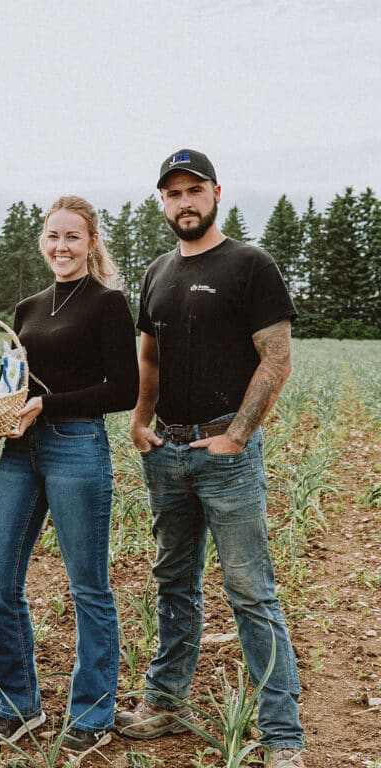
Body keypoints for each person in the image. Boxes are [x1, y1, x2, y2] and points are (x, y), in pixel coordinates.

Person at [116, 149, 305, 768]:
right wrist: (142, 421)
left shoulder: (251, 264)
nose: (184, 202)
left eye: (193, 190)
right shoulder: (157, 273)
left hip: (225, 454)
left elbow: (275, 357)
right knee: (175, 582)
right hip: (166, 452)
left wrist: (237, 437)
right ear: (163, 203)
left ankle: (282, 735)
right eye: (172, 193)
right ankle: (166, 700)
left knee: (251, 592)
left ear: (216, 193)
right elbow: (150, 356)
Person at [0, 196, 139, 751]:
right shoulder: (26, 307)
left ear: (92, 242)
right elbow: (15, 382)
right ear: (42, 241)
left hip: (77, 446)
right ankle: (19, 707)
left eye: (73, 237)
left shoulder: (108, 304)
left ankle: (93, 715)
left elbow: (124, 390)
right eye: (53, 236)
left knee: (88, 587)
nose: (61, 247)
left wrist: (49, 406)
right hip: (21, 450)